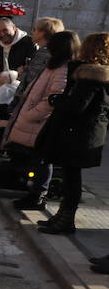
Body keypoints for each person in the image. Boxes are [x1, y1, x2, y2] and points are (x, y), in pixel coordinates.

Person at [35, 33, 109, 236]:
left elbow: (77, 106)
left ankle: (66, 220)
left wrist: (58, 101)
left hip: (79, 135)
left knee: (72, 178)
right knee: (70, 177)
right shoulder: (97, 76)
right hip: (86, 134)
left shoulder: (91, 77)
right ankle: (63, 216)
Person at [4, 30, 78, 212]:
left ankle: (37, 196)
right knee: (36, 159)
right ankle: (34, 193)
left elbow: (52, 99)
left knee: (42, 160)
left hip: (41, 122)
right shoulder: (54, 65)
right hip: (35, 120)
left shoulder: (63, 69)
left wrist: (31, 113)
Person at [0, 16, 35, 98]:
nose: (2, 34)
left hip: (21, 90)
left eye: (5, 30)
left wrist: (23, 70)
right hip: (0, 89)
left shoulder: (29, 43)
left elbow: (35, 67)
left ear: (14, 27)